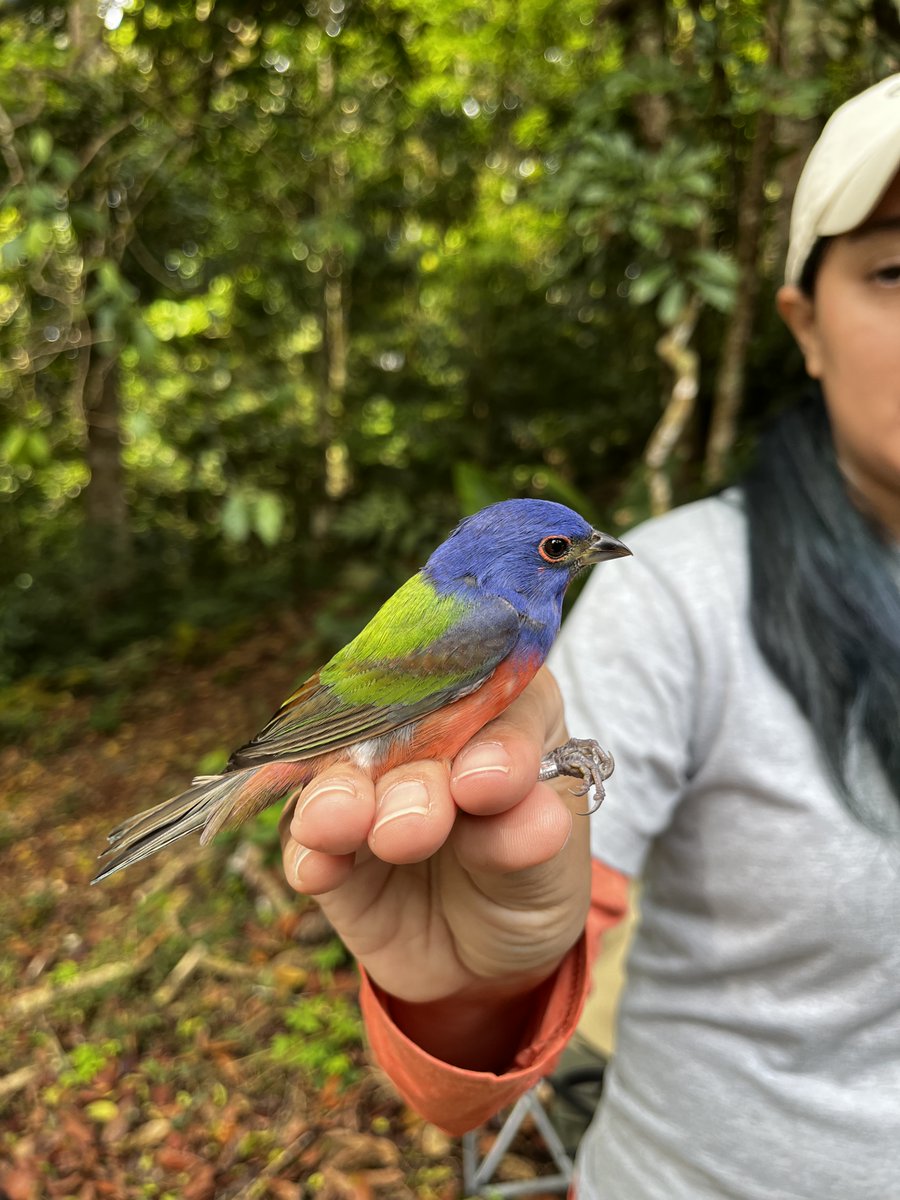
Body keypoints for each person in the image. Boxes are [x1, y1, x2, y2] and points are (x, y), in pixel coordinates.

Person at [278, 74, 900, 1199]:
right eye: (898, 269)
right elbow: (515, 982)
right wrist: (477, 987)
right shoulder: (689, 591)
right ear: (804, 325)